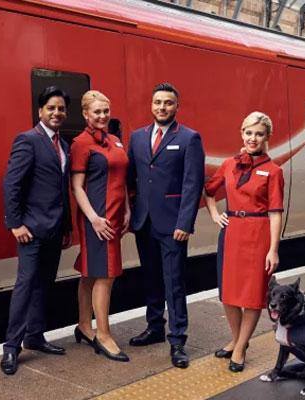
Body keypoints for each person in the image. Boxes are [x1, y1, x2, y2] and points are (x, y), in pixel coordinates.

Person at [127, 82, 205, 368]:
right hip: (144, 221)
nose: (162, 107)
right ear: (151, 105)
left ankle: (178, 340)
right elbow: (131, 179)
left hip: (174, 224)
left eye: (168, 103)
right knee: (150, 278)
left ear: (176, 106)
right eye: (158, 102)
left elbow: (192, 184)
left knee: (174, 282)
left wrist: (185, 222)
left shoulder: (189, 138)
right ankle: (155, 328)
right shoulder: (137, 138)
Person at [203, 111, 284, 372]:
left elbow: (275, 213)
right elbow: (209, 191)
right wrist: (215, 214)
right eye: (249, 132)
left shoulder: (274, 171)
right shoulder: (229, 164)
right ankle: (237, 339)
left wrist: (273, 249)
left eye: (259, 134)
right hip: (231, 232)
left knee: (251, 296)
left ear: (267, 137)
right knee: (228, 293)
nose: (253, 138)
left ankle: (239, 347)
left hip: (258, 234)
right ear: (242, 133)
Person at [0, 86, 73, 375]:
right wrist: (15, 223)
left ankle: (35, 336)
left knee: (44, 284)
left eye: (61, 109)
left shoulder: (63, 146)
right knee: (25, 285)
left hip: (54, 228)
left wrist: (66, 226)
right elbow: (12, 184)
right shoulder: (28, 140)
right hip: (30, 229)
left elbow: (62, 191)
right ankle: (10, 348)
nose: (57, 113)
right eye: (51, 108)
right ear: (40, 111)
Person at [71, 90, 130, 362]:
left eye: (106, 111)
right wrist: (93, 218)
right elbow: (77, 187)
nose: (103, 116)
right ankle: (103, 335)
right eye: (97, 112)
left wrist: (127, 207)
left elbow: (121, 178)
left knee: (90, 273)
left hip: (115, 215)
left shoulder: (115, 140)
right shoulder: (81, 144)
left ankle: (85, 326)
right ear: (85, 114)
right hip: (98, 219)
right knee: (105, 274)